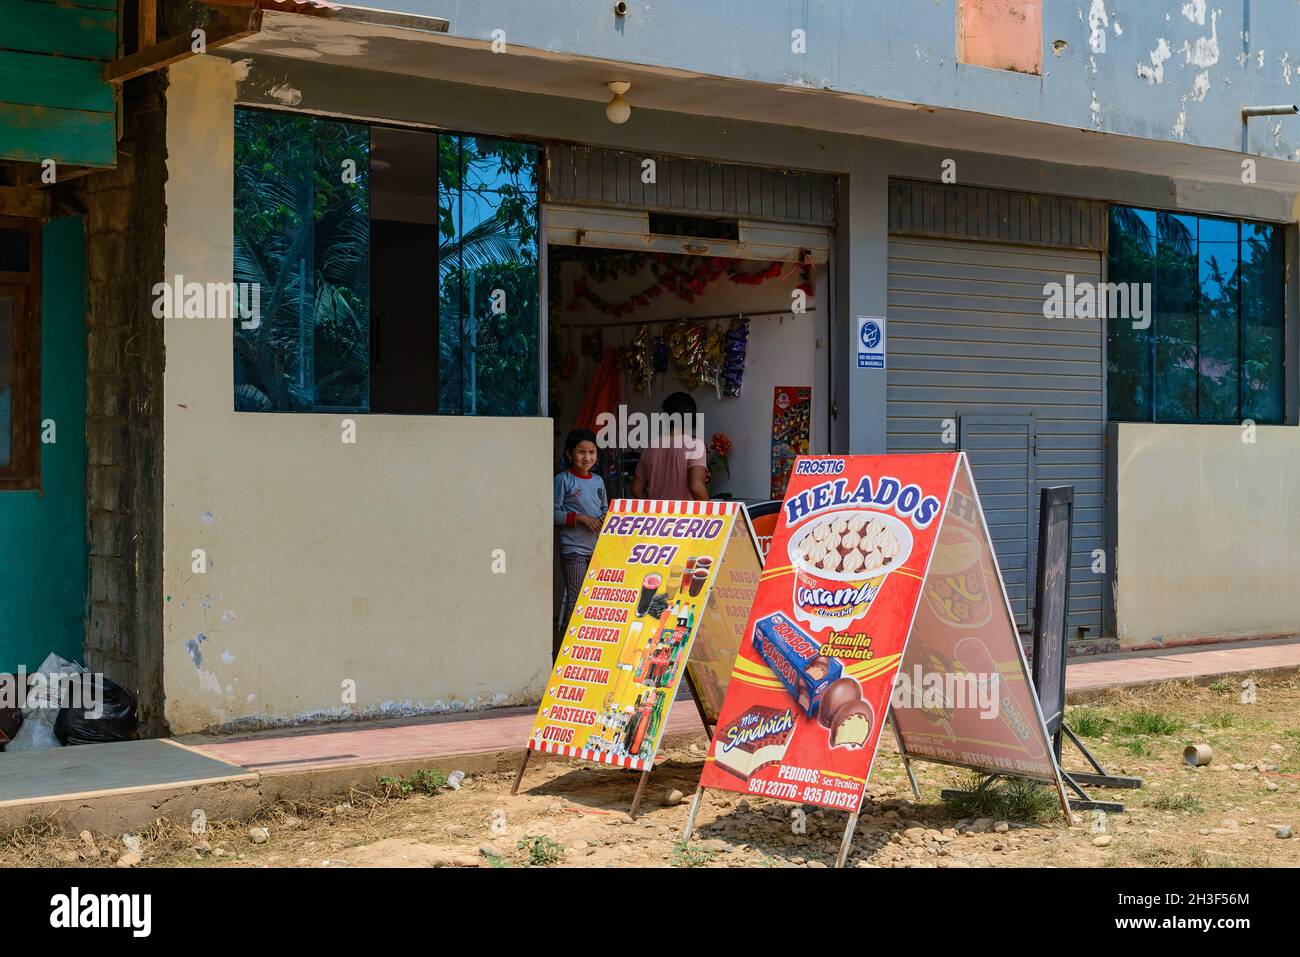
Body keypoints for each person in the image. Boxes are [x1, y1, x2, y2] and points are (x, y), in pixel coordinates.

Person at [554, 429, 608, 652]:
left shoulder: (598, 481)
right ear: (569, 454)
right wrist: (581, 518)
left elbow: (605, 508)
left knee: (596, 598)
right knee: (577, 599)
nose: (587, 457)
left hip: (595, 548)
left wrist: (605, 519)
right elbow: (552, 512)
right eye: (581, 452)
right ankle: (573, 648)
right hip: (573, 549)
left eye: (592, 452)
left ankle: (589, 645)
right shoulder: (562, 480)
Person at [631, 392, 709, 501]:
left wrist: (652, 507)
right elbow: (696, 487)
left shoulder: (651, 446)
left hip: (656, 516)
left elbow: (636, 489)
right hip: (685, 517)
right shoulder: (695, 445)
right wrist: (711, 513)